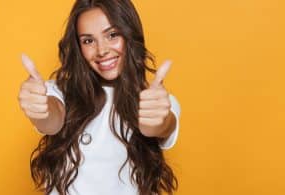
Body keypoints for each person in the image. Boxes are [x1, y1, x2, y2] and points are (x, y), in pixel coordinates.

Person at [18, 0, 181, 194]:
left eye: (112, 35)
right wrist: (40, 108)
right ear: (78, 47)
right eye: (88, 40)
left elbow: (160, 125)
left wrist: (155, 120)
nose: (102, 50)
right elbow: (52, 119)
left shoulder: (158, 102)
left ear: (130, 35)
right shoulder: (59, 92)